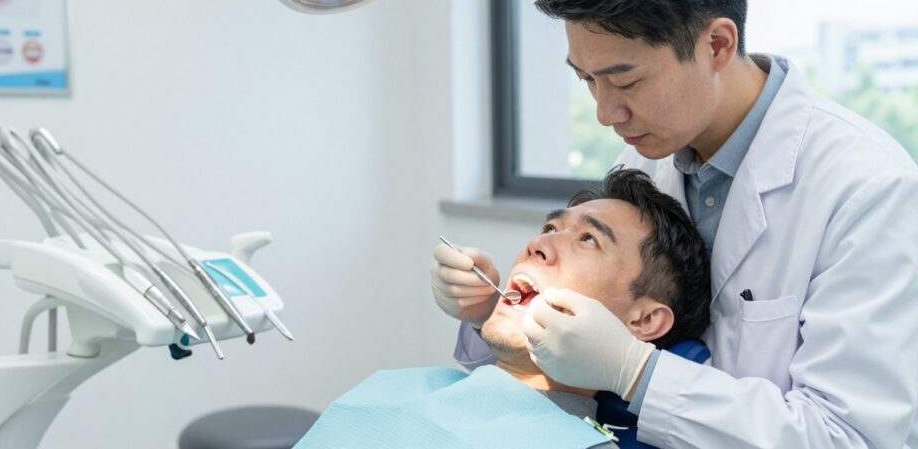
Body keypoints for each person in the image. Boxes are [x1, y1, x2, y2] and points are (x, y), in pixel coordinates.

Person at [432, 0, 918, 448]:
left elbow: (850, 437)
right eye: (587, 80)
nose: (605, 113)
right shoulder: (642, 156)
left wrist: (639, 375)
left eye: (626, 81)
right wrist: (489, 315)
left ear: (717, 44)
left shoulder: (865, 187)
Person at [296, 169, 709, 449]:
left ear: (643, 320)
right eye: (550, 227)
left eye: (588, 240)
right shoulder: (391, 387)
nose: (539, 244)